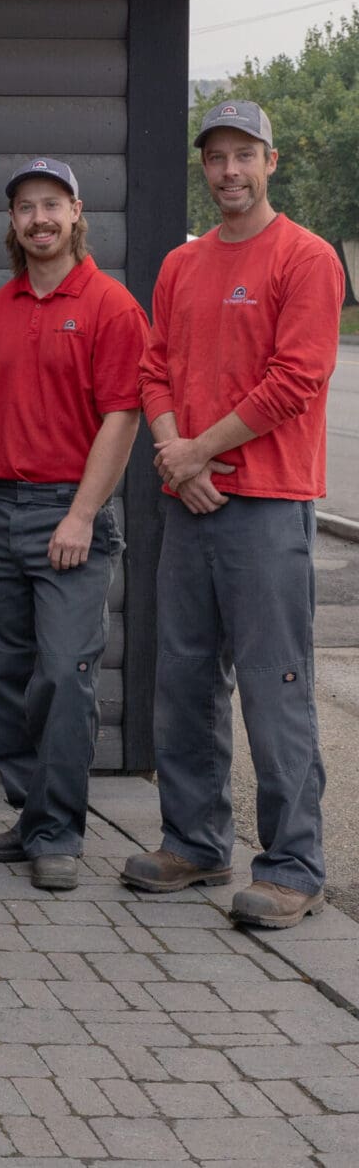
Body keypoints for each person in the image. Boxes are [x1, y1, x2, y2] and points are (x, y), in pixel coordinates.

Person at [125, 100, 344, 929]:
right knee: (182, 682)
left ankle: (293, 864)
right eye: (215, 157)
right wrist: (176, 453)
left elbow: (298, 380)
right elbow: (153, 369)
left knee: (275, 686)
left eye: (244, 155)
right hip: (190, 503)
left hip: (268, 505)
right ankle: (195, 840)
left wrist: (195, 452)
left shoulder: (308, 258)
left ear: (272, 162)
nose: (229, 171)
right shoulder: (182, 266)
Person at [0, 158, 146, 891]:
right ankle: (31, 814)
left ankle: (59, 831)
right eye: (25, 207)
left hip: (69, 514)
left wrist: (81, 513)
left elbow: (122, 417)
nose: (39, 219)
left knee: (64, 677)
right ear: (12, 221)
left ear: (76, 213)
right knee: (0, 677)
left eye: (51, 205)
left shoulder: (109, 304)